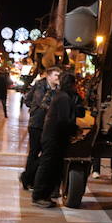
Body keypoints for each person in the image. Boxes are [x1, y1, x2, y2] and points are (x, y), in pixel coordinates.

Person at [32, 72, 80, 207]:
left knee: (51, 168)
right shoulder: (63, 98)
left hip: (54, 137)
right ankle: (39, 196)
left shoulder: (62, 96)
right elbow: (63, 121)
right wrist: (74, 129)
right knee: (47, 167)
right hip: (53, 138)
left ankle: (45, 195)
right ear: (71, 85)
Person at [21, 66, 61, 190]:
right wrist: (35, 111)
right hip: (37, 124)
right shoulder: (41, 86)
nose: (58, 78)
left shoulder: (58, 88)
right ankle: (27, 179)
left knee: (46, 154)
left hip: (49, 125)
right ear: (48, 76)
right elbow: (36, 102)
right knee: (34, 152)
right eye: (56, 75)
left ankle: (32, 177)